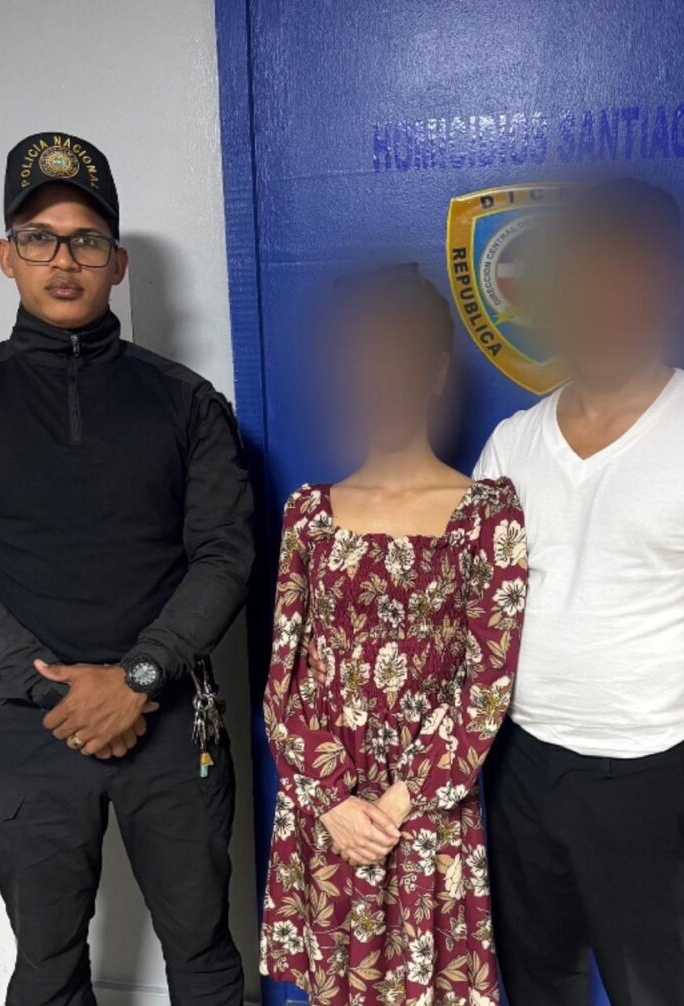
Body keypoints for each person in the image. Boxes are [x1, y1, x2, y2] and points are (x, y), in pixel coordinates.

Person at [0, 131, 253, 1006]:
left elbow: (224, 553)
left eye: (86, 240)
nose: (63, 260)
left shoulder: (187, 405)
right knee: (47, 966)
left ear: (117, 263)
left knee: (203, 953)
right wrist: (61, 693)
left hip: (170, 717)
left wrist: (138, 678)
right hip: (29, 727)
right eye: (40, 239)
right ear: (7, 256)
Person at [474, 178, 684, 1005]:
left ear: (668, 287)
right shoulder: (511, 445)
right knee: (537, 987)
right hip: (520, 768)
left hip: (653, 780)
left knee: (654, 992)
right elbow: (474, 620)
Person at [259, 265, 529, 1005]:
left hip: (426, 812)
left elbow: (487, 684)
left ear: (434, 373)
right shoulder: (309, 513)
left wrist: (401, 804)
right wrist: (333, 802)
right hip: (329, 809)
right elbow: (284, 678)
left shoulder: (487, 513)